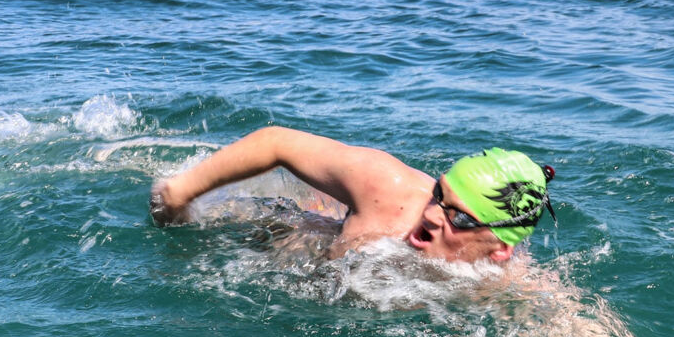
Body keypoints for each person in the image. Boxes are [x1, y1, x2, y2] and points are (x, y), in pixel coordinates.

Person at [150, 126, 554, 264]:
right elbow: (276, 143)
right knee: (271, 220)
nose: (432, 216)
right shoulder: (386, 187)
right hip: (290, 237)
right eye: (438, 195)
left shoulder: (498, 283)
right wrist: (178, 193)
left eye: (459, 218)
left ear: (500, 249)